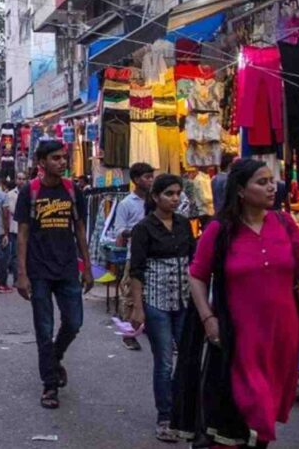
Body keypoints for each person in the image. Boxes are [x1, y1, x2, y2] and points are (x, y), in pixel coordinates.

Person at [174, 159, 299, 447]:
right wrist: (209, 320)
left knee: (262, 417)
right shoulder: (219, 230)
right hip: (239, 338)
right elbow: (196, 276)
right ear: (241, 191)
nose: (272, 187)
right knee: (249, 411)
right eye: (262, 182)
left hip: (281, 337)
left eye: (272, 181)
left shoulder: (285, 224)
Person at [15, 140, 93, 410]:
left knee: (74, 322)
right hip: (38, 272)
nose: (62, 162)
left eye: (64, 157)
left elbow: (80, 230)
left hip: (68, 269)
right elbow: (22, 234)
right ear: (42, 162)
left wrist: (88, 267)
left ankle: (55, 357)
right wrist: (21, 273)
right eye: (56, 158)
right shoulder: (30, 192)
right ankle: (49, 385)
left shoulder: (73, 191)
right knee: (44, 330)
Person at [126, 174, 196, 442]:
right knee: (164, 361)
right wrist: (137, 307)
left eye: (178, 193)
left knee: (187, 359)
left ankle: (185, 414)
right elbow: (137, 270)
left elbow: (193, 259)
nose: (175, 198)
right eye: (169, 193)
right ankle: (165, 417)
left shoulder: (183, 224)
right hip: (156, 301)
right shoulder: (144, 228)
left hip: (183, 299)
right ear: (155, 197)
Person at [113, 162, 156, 351]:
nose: (150, 180)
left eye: (151, 176)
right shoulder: (126, 204)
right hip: (136, 255)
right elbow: (119, 231)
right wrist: (139, 232)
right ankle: (128, 334)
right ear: (137, 180)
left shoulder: (155, 201)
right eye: (147, 177)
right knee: (130, 295)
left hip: (156, 255)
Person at [5, 172, 26, 284]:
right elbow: (12, 210)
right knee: (14, 254)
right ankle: (16, 279)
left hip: (26, 229)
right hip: (14, 228)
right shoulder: (10, 194)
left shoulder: (29, 192)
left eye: (23, 179)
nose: (21, 181)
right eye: (19, 178)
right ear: (16, 180)